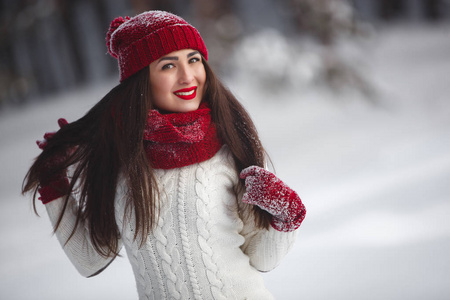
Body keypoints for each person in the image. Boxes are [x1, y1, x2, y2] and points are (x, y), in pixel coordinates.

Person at [23, 10, 306, 300]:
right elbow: (89, 260)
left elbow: (263, 259)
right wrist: (53, 181)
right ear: (140, 80)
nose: (188, 76)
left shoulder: (229, 149)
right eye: (168, 65)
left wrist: (285, 218)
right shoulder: (118, 164)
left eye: (194, 60)